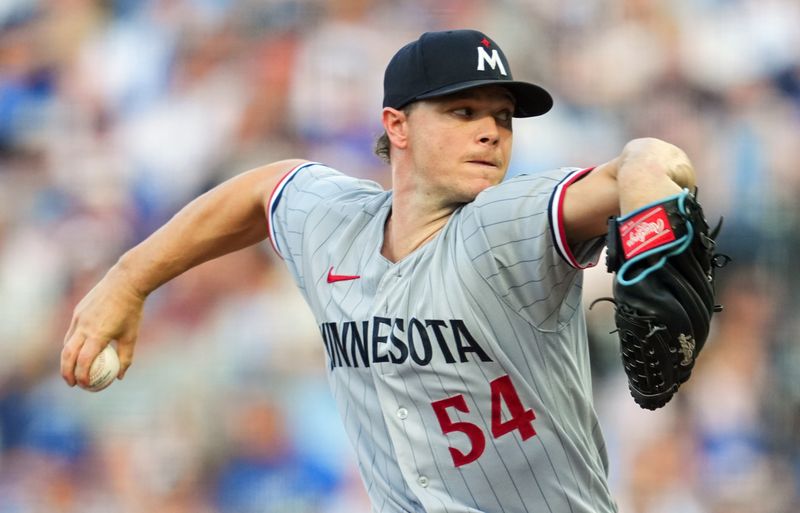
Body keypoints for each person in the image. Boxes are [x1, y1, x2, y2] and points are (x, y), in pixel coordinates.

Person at [61, 29, 697, 513]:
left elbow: (641, 167)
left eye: (501, 117)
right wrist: (128, 278)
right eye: (462, 112)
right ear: (396, 125)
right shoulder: (335, 224)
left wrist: (646, 177)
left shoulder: (510, 221)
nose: (491, 133)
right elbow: (263, 190)